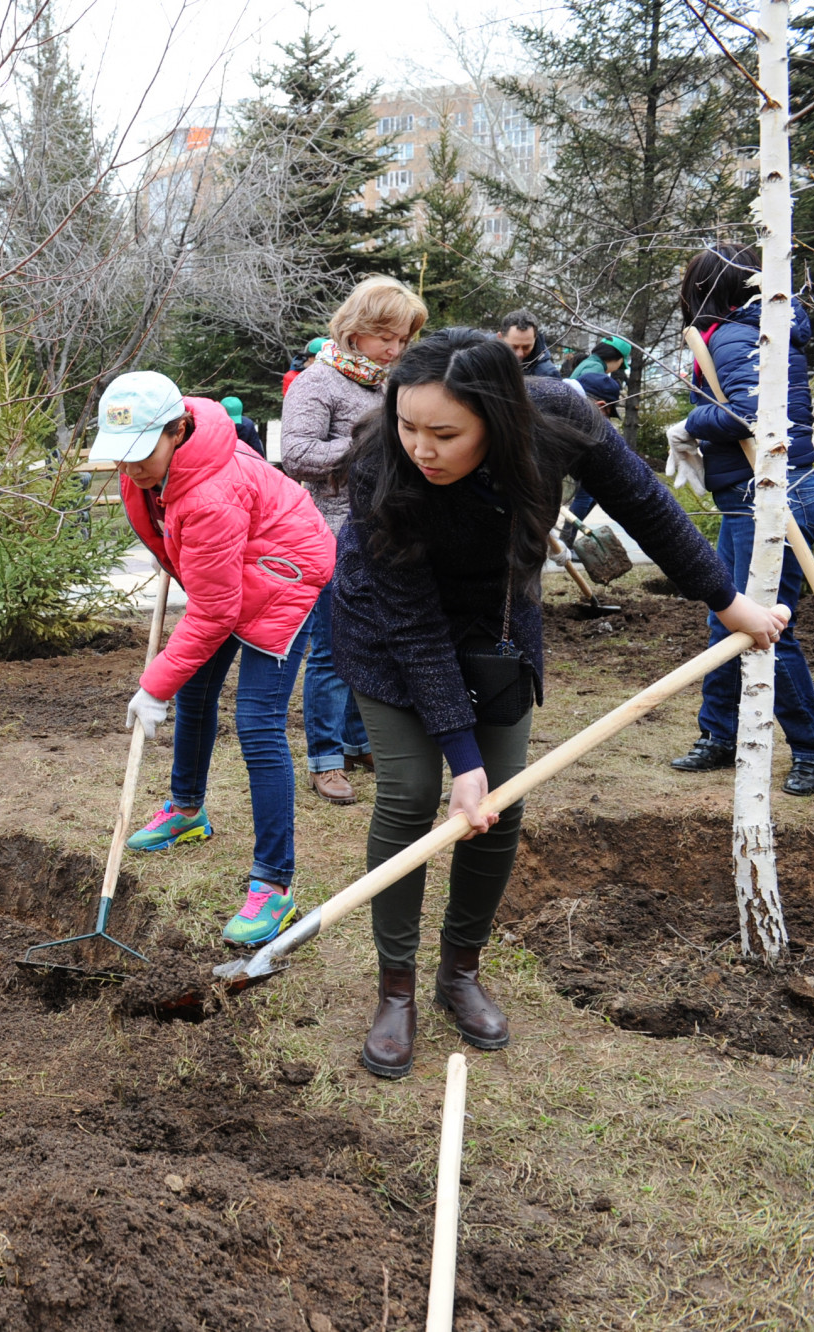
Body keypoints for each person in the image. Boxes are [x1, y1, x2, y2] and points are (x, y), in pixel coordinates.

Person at [331, 328, 785, 1079]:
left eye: (445, 433)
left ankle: (460, 973)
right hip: (389, 630)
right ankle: (398, 988)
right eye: (409, 425)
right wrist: (460, 759)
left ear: (499, 421)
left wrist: (727, 600)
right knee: (412, 796)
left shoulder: (560, 419)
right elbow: (413, 628)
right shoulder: (381, 462)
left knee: (500, 804)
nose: (422, 447)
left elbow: (645, 502)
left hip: (499, 626)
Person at [98, 372, 335, 947]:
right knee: (198, 691)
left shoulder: (209, 494)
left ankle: (273, 886)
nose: (129, 469)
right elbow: (194, 568)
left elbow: (214, 612)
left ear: (178, 431)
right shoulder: (150, 472)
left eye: (140, 455)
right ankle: (186, 810)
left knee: (257, 726)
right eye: (120, 458)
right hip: (236, 572)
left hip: (286, 577)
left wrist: (154, 686)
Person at [669, 243, 814, 795]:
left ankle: (811, 750)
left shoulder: (741, 336)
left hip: (770, 500)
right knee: (726, 617)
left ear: (708, 290)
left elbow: (747, 415)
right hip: (750, 497)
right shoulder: (757, 330)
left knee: (768, 632)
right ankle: (719, 734)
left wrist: (690, 422)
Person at [281, 276, 430, 803]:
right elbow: (296, 453)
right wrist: (363, 447)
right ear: (356, 329)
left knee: (375, 643)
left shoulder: (387, 382)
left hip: (385, 534)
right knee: (330, 651)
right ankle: (325, 759)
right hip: (328, 535)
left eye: (403, 340)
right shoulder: (316, 382)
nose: (395, 349)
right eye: (386, 336)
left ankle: (358, 741)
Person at [559, 372, 623, 536]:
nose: (606, 421)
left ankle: (566, 539)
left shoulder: (564, 406)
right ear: (601, 405)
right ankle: (567, 538)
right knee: (585, 495)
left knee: (589, 495)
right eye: (607, 415)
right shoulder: (576, 421)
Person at [496, 310, 561, 378]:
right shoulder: (485, 352)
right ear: (500, 337)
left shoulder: (547, 374)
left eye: (526, 347)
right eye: (514, 347)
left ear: (535, 339)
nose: (520, 354)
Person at [564, 336, 630, 382]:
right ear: (617, 359)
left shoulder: (590, 363)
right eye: (621, 364)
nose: (617, 368)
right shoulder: (596, 368)